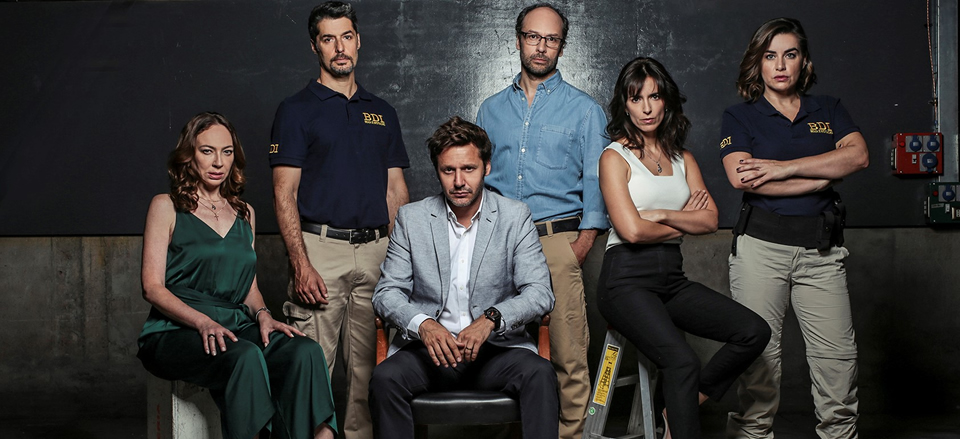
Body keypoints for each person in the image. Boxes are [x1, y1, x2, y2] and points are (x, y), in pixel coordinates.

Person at [597, 58, 771, 439]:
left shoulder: (683, 158)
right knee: (682, 361)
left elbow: (710, 221)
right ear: (625, 105)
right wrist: (682, 219)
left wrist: (660, 214)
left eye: (654, 96)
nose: (646, 108)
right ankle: (679, 416)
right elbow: (631, 231)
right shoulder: (614, 157)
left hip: (671, 279)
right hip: (624, 281)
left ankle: (679, 405)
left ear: (667, 101)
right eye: (636, 98)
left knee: (753, 331)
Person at [137, 112, 337, 439]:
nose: (219, 162)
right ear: (189, 155)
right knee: (245, 356)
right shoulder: (166, 206)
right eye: (207, 151)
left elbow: (249, 288)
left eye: (227, 152)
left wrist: (263, 315)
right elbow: (152, 287)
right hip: (174, 330)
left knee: (305, 352)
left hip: (235, 325)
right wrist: (202, 322)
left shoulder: (245, 213)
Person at [720, 18, 868, 439]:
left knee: (836, 360)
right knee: (759, 359)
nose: (780, 65)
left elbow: (858, 157)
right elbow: (743, 178)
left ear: (804, 62)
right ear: (758, 63)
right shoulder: (740, 116)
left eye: (790, 54)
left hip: (821, 252)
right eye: (770, 56)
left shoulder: (829, 108)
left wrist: (783, 168)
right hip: (761, 250)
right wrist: (823, 174)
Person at [269, 3, 410, 439]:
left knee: (370, 375)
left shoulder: (381, 111)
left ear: (358, 40)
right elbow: (284, 193)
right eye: (328, 39)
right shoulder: (295, 110)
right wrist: (300, 263)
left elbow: (396, 192)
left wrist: (402, 261)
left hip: (377, 253)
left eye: (346, 36)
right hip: (320, 251)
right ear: (315, 47)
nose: (340, 47)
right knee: (310, 369)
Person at [369, 116, 559, 439]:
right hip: (428, 354)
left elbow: (540, 292)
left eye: (469, 169)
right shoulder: (411, 219)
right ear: (437, 171)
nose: (459, 181)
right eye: (449, 170)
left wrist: (491, 319)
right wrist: (424, 325)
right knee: (384, 379)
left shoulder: (515, 217)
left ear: (486, 167)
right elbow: (386, 293)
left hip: (496, 352)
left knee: (540, 374)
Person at [475, 4, 608, 437]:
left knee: (568, 354)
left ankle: (571, 435)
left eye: (551, 39)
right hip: (497, 241)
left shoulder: (585, 111)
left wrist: (580, 245)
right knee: (495, 346)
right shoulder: (490, 110)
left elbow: (597, 182)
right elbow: (477, 179)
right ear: (518, 40)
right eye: (533, 36)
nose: (541, 47)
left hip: (556, 241)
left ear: (562, 47)